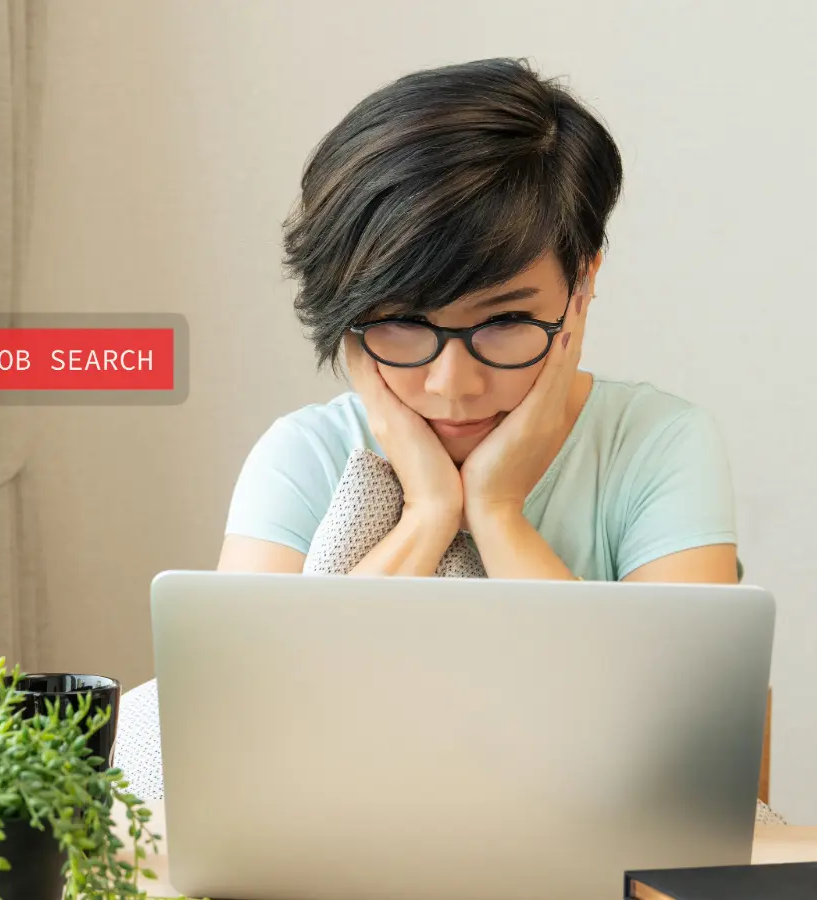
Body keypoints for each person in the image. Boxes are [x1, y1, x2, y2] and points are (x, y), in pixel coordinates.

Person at [218, 58, 738, 583]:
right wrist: (428, 515)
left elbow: (672, 669)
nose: (453, 384)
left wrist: (497, 511)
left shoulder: (655, 445)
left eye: (505, 319)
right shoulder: (307, 455)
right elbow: (262, 666)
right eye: (403, 320)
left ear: (582, 281)